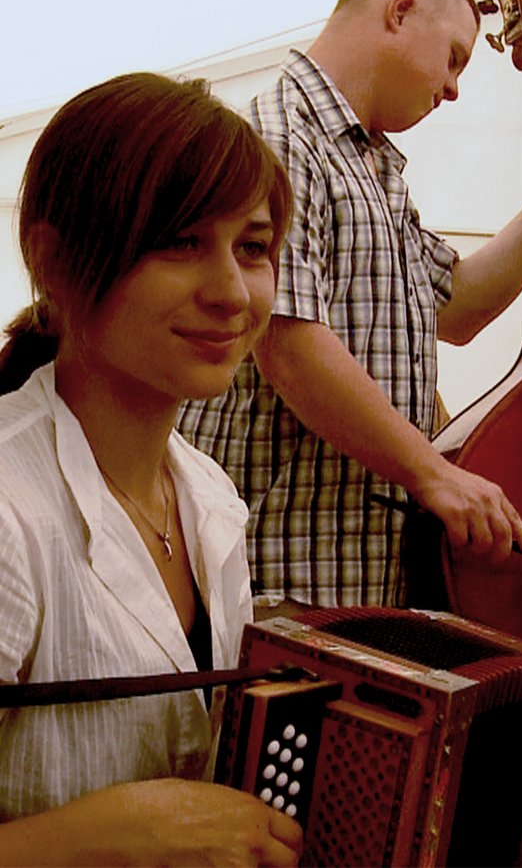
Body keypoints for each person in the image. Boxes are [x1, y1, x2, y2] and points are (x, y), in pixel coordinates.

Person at [178, 0, 522, 608]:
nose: (455, 87)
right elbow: (288, 344)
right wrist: (433, 472)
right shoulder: (280, 138)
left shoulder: (369, 165)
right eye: (455, 57)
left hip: (346, 579)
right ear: (400, 11)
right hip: (281, 580)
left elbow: (456, 306)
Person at [0, 73, 301, 864]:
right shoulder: (8, 508)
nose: (233, 293)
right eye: (180, 241)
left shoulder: (208, 496)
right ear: (54, 259)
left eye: (254, 247)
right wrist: (100, 839)